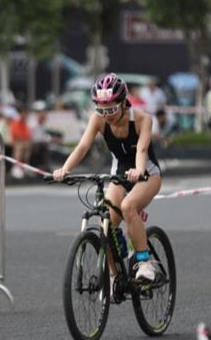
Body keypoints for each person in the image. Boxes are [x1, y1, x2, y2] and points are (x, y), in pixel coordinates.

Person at [52, 73, 162, 290]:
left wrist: (138, 170)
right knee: (106, 224)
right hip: (118, 174)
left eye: (111, 109)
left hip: (147, 174)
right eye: (101, 109)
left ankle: (144, 262)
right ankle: (114, 276)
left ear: (123, 103)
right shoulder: (98, 119)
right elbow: (83, 147)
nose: (107, 115)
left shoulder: (142, 119)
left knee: (128, 207)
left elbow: (141, 150)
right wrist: (65, 169)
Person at [9, 104, 32, 179]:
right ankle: (17, 166)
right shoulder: (15, 123)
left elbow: (28, 135)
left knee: (27, 145)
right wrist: (24, 141)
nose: (25, 115)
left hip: (24, 143)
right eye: (24, 113)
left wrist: (25, 141)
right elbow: (16, 136)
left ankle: (25, 166)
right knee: (20, 146)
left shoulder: (26, 124)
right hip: (15, 143)